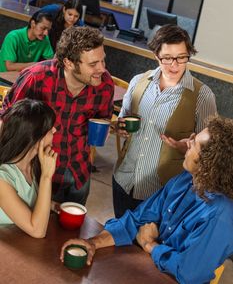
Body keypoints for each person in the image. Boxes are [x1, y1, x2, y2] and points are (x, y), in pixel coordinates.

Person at [60, 116, 233, 284]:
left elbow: (188, 273)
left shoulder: (222, 215)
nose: (188, 141)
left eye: (195, 142)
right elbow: (137, 219)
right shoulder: (185, 180)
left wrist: (150, 245)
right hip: (149, 270)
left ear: (209, 163)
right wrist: (92, 243)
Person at [1, 26, 114, 205]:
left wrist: (109, 127)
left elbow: (103, 119)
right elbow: (7, 121)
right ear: (69, 63)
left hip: (78, 172)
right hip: (38, 173)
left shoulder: (105, 84)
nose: (102, 69)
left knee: (71, 232)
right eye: (93, 64)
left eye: (103, 60)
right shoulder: (36, 78)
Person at [113, 24, 217, 217]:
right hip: (123, 180)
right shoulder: (138, 81)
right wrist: (120, 127)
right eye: (167, 58)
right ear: (156, 56)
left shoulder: (203, 96)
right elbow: (122, 119)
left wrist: (183, 146)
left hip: (162, 192)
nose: (174, 65)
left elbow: (209, 154)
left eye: (181, 58)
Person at [0, 98, 57, 238]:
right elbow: (37, 231)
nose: (55, 130)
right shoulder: (2, 179)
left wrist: (53, 206)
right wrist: (46, 177)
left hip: (24, 247)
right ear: (35, 138)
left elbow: (28, 201)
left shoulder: (32, 165)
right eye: (50, 129)